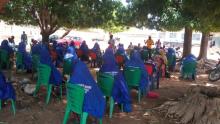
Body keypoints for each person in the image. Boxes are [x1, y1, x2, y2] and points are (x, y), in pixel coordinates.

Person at [99, 47, 132, 112]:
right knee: (122, 85)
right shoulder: (117, 71)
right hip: (114, 90)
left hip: (103, 90)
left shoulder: (102, 69)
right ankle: (121, 104)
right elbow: (122, 85)